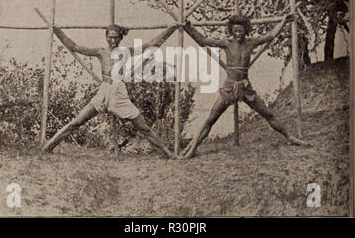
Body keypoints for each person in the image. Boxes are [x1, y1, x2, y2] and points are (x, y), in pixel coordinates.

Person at [42, 23, 178, 159]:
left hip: (118, 92)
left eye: (116, 38)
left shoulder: (126, 52)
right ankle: (47, 148)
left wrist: (171, 29)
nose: (113, 41)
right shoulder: (100, 52)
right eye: (110, 37)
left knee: (143, 128)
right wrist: (57, 30)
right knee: (76, 122)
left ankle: (168, 154)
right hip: (103, 91)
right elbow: (74, 47)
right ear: (106, 37)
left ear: (120, 38)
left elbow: (150, 46)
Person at [182, 14, 310, 158]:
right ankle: (193, 149)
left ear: (245, 30)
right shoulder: (226, 43)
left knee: (268, 114)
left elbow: (271, 35)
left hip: (246, 87)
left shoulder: (251, 42)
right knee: (211, 119)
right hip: (229, 87)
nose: (238, 34)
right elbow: (203, 40)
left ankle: (290, 138)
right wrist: (189, 28)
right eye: (235, 31)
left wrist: (283, 21)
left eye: (240, 31)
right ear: (231, 30)